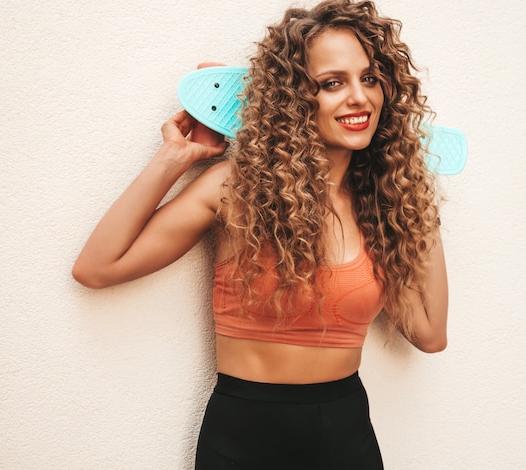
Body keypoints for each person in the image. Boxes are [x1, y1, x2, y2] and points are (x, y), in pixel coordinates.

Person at [72, 0, 448, 468]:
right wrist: (175, 158)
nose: (359, 97)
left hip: (346, 433)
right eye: (332, 83)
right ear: (293, 98)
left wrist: (412, 195)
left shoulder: (382, 209)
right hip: (243, 434)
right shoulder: (237, 190)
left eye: (369, 78)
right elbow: (96, 267)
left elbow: (430, 334)